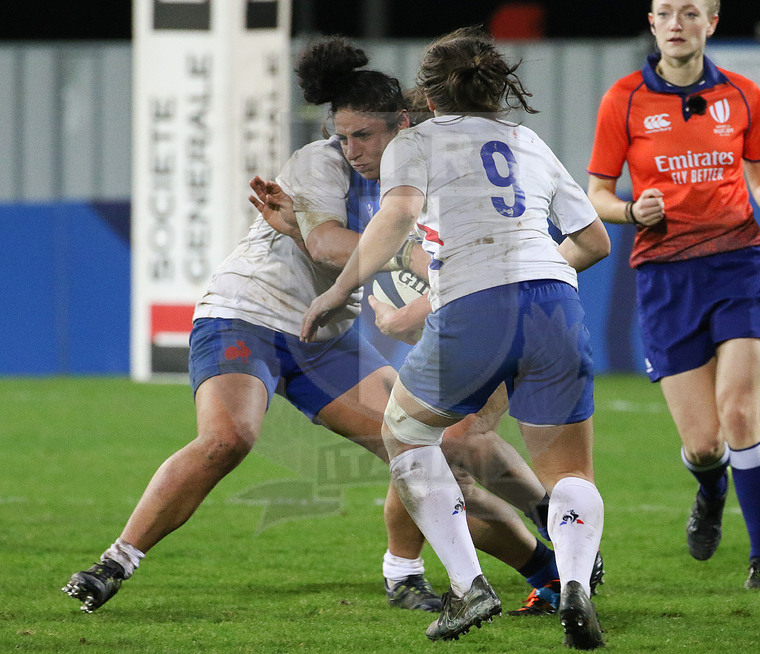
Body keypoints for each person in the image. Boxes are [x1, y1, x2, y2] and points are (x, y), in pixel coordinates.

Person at [62, 36, 565, 618]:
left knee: (426, 449)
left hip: (324, 338)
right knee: (229, 438)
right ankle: (115, 562)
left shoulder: (425, 166)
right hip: (246, 313)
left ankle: (549, 571)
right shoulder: (317, 162)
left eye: (364, 136)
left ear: (403, 123)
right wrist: (413, 261)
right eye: (343, 134)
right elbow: (328, 244)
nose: (351, 149)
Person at [302, 27, 610, 648]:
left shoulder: (415, 142)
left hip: (474, 305)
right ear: (497, 89)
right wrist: (537, 267)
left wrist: (337, 292)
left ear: (430, 97)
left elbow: (397, 214)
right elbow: (595, 242)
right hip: (555, 303)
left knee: (405, 433)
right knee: (570, 470)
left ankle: (470, 586)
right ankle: (573, 583)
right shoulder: (530, 141)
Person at [587, 0, 760, 589]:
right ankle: (710, 488)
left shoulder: (744, 94)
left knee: (738, 412)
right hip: (665, 275)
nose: (677, 22)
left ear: (711, 23)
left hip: (740, 264)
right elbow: (596, 193)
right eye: (665, 12)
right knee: (704, 445)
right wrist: (629, 209)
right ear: (652, 23)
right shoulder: (622, 99)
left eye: (691, 12)